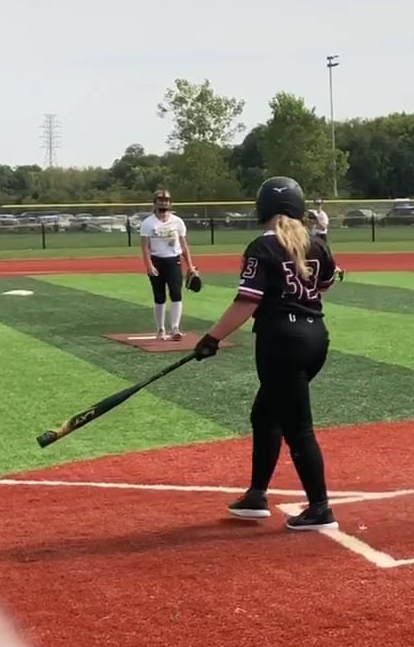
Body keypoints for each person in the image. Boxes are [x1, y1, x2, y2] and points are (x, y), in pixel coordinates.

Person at [192, 176, 341, 532]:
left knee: (297, 426)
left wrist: (212, 338)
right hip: (315, 338)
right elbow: (324, 284)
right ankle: (257, 495)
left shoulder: (262, 247)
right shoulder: (316, 244)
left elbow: (247, 302)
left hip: (281, 343)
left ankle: (320, 508)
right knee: (265, 414)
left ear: (264, 208)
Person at [139, 190, 198, 341]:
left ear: (170, 203)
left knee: (176, 294)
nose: (163, 203)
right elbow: (145, 247)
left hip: (174, 261)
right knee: (159, 297)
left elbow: (184, 246)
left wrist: (190, 266)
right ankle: (160, 329)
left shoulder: (177, 222)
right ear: (155, 203)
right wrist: (149, 265)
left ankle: (175, 328)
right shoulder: (148, 223)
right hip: (157, 261)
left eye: (166, 201)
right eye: (160, 200)